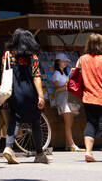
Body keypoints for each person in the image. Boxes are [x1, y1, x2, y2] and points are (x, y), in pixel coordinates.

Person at [1, 28, 50, 164]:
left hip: (15, 92)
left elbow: (5, 74)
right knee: (35, 121)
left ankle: (9, 148)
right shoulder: (32, 57)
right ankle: (39, 153)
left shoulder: (8, 55)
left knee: (15, 119)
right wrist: (41, 96)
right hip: (30, 93)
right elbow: (36, 77)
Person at [77, 32, 102, 162]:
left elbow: (75, 73)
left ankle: (88, 152)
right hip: (101, 96)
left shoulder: (83, 59)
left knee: (91, 123)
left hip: (88, 96)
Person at [53, 52, 82, 152]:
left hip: (69, 99)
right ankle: (72, 145)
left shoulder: (65, 73)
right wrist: (66, 85)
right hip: (63, 100)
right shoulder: (56, 74)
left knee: (70, 123)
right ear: (58, 62)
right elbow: (56, 88)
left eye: (66, 61)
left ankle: (68, 144)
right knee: (68, 123)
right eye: (63, 61)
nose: (65, 63)